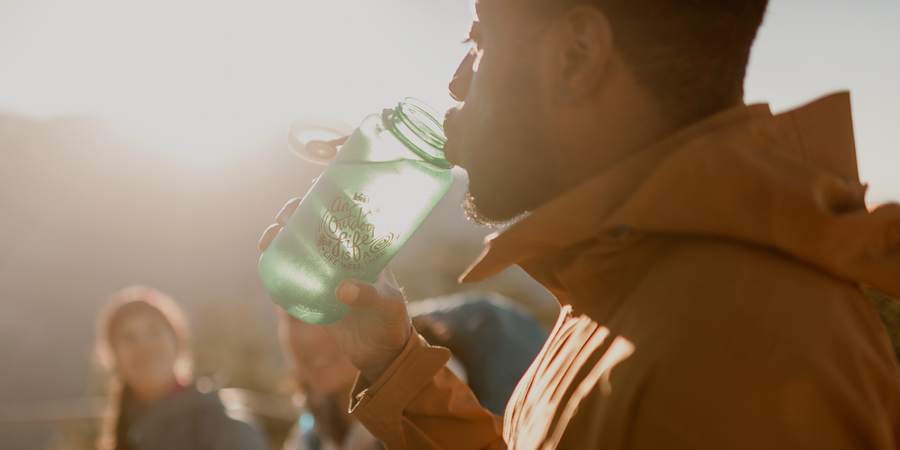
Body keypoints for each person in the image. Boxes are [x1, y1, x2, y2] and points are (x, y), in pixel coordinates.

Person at [259, 0, 900, 448]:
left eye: (479, 42)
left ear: (575, 54)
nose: (455, 83)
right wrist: (393, 364)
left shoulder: (743, 360)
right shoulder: (620, 283)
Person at [278, 292, 548, 450]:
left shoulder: (441, 402)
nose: (308, 338)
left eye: (330, 316)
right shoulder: (312, 430)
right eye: (293, 318)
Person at [94, 285, 267, 450]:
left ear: (177, 341)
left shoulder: (224, 426)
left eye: (154, 331)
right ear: (113, 357)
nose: (143, 346)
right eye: (128, 338)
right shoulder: (127, 429)